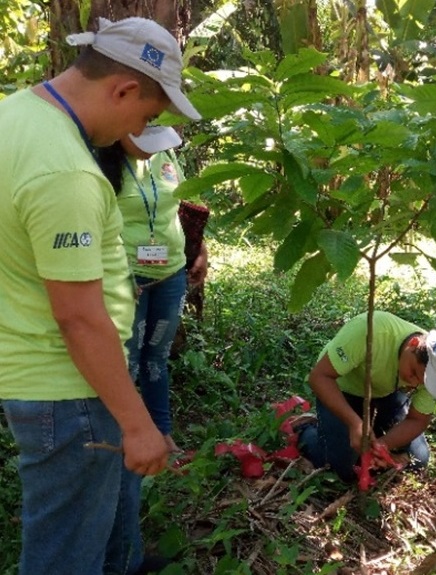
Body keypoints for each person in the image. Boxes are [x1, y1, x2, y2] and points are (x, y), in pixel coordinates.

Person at [0, 17, 200, 575]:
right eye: (148, 114)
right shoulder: (65, 170)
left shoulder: (16, 114)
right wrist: (138, 426)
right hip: (68, 389)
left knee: (93, 525)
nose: (143, 129)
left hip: (50, 374)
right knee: (65, 553)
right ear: (123, 89)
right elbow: (80, 318)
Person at [98, 126, 208, 453]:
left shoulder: (166, 155)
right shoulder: (101, 162)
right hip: (127, 277)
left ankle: (162, 432)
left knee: (156, 358)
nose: (152, 148)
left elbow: (184, 205)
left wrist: (201, 250)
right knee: (127, 359)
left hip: (171, 273)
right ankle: (125, 436)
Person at [298, 311, 436, 482]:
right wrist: (354, 422)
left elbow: (418, 420)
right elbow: (319, 377)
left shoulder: (431, 375)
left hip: (385, 395)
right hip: (340, 389)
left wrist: (382, 446)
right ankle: (306, 429)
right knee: (340, 467)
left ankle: (365, 433)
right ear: (413, 344)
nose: (415, 385)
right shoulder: (370, 331)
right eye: (414, 374)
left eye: (425, 383)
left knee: (418, 459)